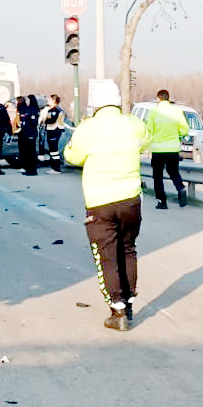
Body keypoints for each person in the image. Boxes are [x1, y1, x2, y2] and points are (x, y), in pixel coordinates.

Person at [64, 80, 152, 331]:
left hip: (100, 203)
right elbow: (145, 142)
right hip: (131, 200)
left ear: (95, 104)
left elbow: (72, 156)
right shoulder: (133, 124)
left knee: (107, 257)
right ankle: (130, 302)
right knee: (128, 250)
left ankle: (118, 311)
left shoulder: (87, 128)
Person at [144, 90, 190, 209]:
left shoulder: (153, 112)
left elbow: (149, 130)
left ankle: (162, 202)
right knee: (174, 172)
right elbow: (185, 130)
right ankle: (181, 188)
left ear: (158, 99)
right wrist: (176, 133)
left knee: (158, 177)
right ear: (168, 98)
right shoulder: (177, 111)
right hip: (173, 149)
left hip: (158, 150)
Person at [40, 94, 69, 170]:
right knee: (52, 150)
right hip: (51, 131)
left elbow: (50, 120)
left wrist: (46, 121)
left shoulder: (56, 110)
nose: (48, 101)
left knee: (54, 150)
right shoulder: (51, 110)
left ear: (54, 100)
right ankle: (53, 167)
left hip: (55, 131)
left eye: (50, 99)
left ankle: (56, 168)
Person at [16, 94, 42, 176]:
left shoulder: (33, 109)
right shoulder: (28, 109)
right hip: (25, 132)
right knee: (26, 152)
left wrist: (26, 123)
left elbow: (33, 122)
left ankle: (32, 170)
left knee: (31, 152)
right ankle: (28, 169)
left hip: (30, 133)